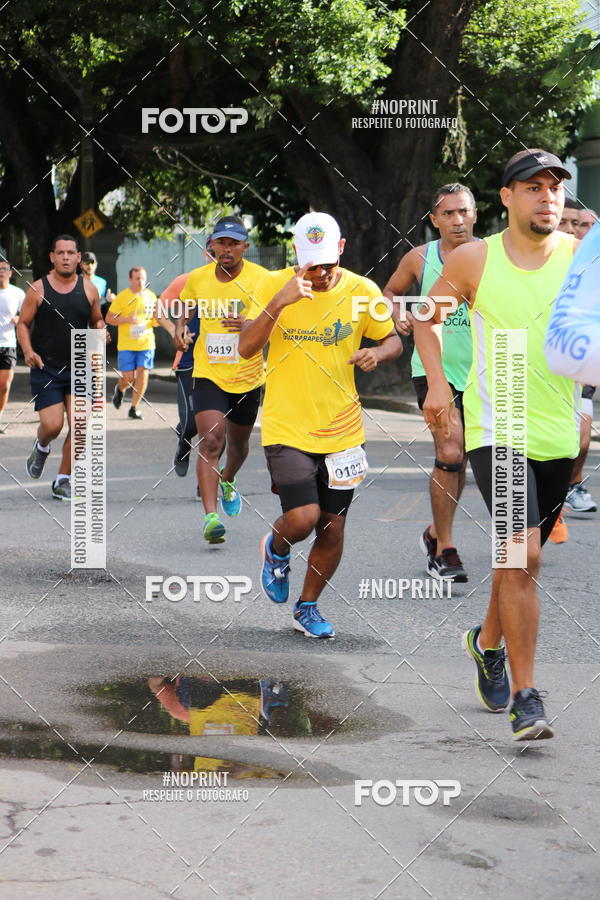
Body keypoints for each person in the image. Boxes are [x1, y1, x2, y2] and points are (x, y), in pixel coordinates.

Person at [415, 149, 580, 740]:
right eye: (532, 187)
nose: (547, 198)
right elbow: (424, 318)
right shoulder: (473, 259)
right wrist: (437, 382)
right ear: (506, 197)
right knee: (524, 556)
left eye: (555, 189)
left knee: (522, 560)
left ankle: (487, 643)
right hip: (498, 424)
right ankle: (526, 697)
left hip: (560, 431)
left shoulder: (579, 256)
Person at [239, 212, 402, 639]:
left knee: (332, 525)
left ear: (342, 250)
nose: (323, 272)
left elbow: (393, 339)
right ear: (297, 255)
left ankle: (307, 607)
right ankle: (276, 550)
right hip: (286, 426)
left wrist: (377, 355)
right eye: (314, 264)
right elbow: (246, 348)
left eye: (329, 262)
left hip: (343, 430)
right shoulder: (270, 286)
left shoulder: (363, 291)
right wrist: (279, 302)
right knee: (303, 518)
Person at [384, 183, 478, 582]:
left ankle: (435, 532)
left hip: (481, 370)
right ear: (434, 219)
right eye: (448, 213)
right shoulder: (419, 258)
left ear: (474, 214)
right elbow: (390, 290)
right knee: (450, 449)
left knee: (464, 457)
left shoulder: (490, 256)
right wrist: (396, 312)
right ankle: (446, 550)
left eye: (464, 212)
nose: (457, 220)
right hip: (433, 368)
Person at [174, 216, 267, 543]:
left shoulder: (261, 279)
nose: (226, 249)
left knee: (239, 446)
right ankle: (210, 518)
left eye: (233, 243)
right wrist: (180, 328)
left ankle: (228, 478)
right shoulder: (198, 278)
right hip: (208, 372)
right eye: (221, 243)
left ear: (246, 246)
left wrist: (250, 325)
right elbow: (185, 304)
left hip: (248, 376)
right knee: (211, 440)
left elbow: (274, 319)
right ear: (211, 245)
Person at [17, 234, 106, 500]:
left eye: (71, 253)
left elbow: (97, 321)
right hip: (46, 366)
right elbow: (22, 323)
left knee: (80, 424)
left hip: (80, 365)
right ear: (52, 257)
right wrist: (28, 351)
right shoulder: (38, 289)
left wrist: (102, 331)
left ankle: (62, 479)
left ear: (79, 257)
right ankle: (42, 446)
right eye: (61, 253)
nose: (66, 257)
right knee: (53, 425)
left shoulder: (90, 289)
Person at [106, 267, 160, 419]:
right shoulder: (122, 297)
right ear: (130, 279)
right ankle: (120, 389)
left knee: (142, 373)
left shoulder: (151, 296)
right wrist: (126, 319)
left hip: (146, 343)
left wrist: (158, 322)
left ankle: (134, 407)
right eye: (137, 278)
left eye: (143, 278)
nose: (141, 281)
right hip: (127, 345)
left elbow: (156, 319)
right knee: (128, 378)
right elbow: (109, 318)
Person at [0, 260, 25, 432]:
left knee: (5, 385)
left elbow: (27, 316)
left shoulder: (18, 293)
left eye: (4, 269)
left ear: (10, 273)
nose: (1, 271)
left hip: (8, 344)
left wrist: (19, 319)